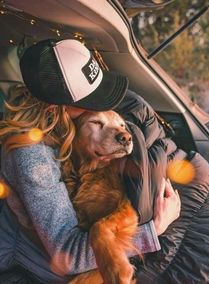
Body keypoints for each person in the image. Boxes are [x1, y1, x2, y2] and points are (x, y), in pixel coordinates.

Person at [0, 39, 181, 283]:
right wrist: (153, 229)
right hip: (36, 263)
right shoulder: (32, 157)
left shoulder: (64, 130)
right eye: (92, 100)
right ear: (58, 108)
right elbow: (68, 255)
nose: (104, 105)